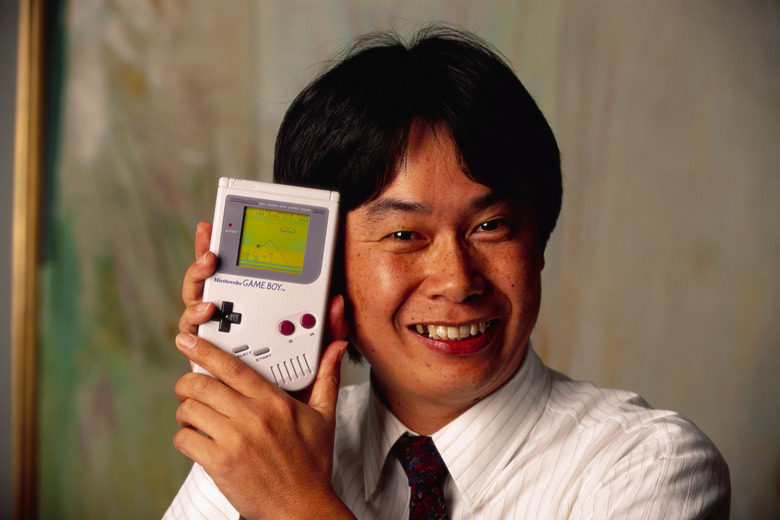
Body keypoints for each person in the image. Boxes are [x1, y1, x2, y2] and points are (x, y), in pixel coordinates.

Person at [164, 26, 730, 519]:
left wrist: (297, 507)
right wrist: (257, 394)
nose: (458, 280)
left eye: (492, 226)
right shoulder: (274, 446)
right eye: (405, 235)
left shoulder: (647, 468)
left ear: (539, 240)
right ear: (328, 267)